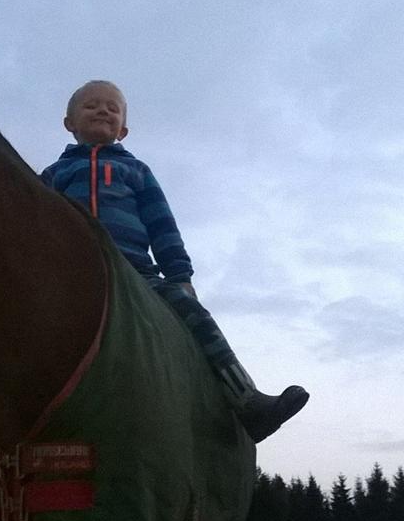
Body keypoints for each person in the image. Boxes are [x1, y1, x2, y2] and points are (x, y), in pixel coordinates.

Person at [40, 80, 308, 443]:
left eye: (112, 108)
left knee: (192, 315)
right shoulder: (53, 176)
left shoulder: (136, 172)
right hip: (71, 275)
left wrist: (180, 274)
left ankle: (246, 399)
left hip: (136, 272)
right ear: (69, 123)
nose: (103, 111)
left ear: (124, 130)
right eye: (91, 106)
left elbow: (161, 224)